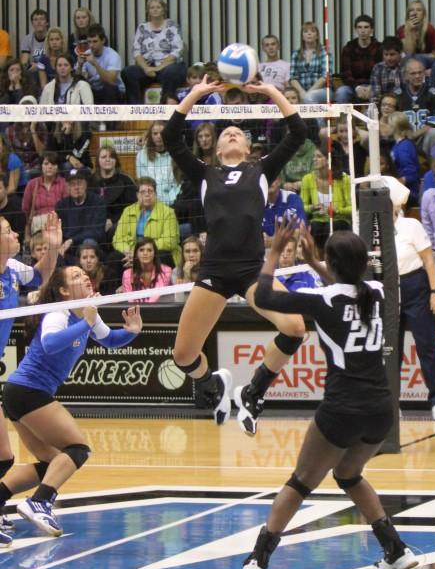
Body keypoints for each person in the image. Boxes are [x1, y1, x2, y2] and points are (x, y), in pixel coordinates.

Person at [241, 223, 418, 569]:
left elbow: (263, 295)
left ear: (332, 264)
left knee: (301, 482)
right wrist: (316, 263)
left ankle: (258, 559)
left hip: (343, 409)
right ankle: (396, 550)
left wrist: (274, 253)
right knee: (349, 475)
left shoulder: (319, 300)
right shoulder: (379, 292)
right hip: (381, 410)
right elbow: (345, 287)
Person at [162, 76, 308, 437]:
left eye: (237, 133)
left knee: (295, 328)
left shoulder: (261, 170)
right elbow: (170, 138)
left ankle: (253, 391)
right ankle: (214, 386)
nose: (230, 134)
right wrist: (194, 94)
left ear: (247, 147)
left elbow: (298, 131)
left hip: (250, 270)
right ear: (215, 149)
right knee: (182, 356)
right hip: (213, 271)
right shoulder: (205, 173)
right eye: (224, 132)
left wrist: (271, 92)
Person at [0, 267, 142, 539]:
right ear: (64, 291)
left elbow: (110, 340)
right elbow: (51, 343)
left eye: (84, 274)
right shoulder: (59, 312)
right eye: (76, 276)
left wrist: (131, 331)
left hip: (21, 392)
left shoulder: (86, 312)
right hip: (28, 390)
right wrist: (86, 322)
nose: (85, 276)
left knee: (50, 463)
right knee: (78, 449)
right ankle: (40, 502)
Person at [0, 211, 61, 538]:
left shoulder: (12, 270)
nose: (15, 236)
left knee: (5, 457)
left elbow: (41, 277)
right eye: (8, 231)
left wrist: (51, 249)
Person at [392, 177, 435, 421]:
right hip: (387, 289)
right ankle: (392, 404)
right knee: (390, 350)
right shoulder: (371, 226)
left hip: (415, 286)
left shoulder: (411, 225)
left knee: (426, 346)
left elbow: (428, 259)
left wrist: (434, 292)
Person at [122, 0, 186, 103]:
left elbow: (177, 51)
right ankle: (135, 111)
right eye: (152, 7)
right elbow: (136, 51)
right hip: (148, 68)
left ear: (163, 10)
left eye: (158, 7)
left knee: (172, 72)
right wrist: (146, 68)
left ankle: (165, 107)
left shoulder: (172, 26)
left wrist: (158, 68)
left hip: (168, 66)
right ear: (148, 11)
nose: (155, 9)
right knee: (128, 72)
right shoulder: (142, 28)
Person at [300, 147, 352, 253]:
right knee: (316, 227)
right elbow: (301, 207)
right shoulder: (307, 179)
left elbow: (352, 208)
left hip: (339, 219)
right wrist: (312, 208)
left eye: (318, 157)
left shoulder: (344, 179)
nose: (314, 159)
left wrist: (336, 210)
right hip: (318, 221)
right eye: (314, 156)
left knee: (332, 227)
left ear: (328, 160)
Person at [56, 168, 106, 263]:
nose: (76, 187)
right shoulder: (61, 205)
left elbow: (97, 232)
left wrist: (72, 240)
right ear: (67, 187)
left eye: (79, 183)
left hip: (90, 246)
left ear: (86, 184)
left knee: (89, 243)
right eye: (72, 184)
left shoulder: (97, 202)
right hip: (68, 248)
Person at [394, 58, 435, 156]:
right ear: (406, 75)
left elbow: (434, 123)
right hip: (403, 139)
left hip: (424, 139)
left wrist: (415, 135)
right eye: (413, 73)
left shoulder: (432, 93)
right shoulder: (398, 94)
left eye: (420, 72)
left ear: (424, 73)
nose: (417, 76)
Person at [89, 144, 137, 242]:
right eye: (103, 157)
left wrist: (113, 220)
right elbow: (87, 207)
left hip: (121, 223)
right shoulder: (90, 181)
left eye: (111, 157)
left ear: (116, 161)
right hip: (95, 222)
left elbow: (132, 208)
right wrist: (101, 221)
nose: (108, 159)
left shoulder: (126, 181)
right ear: (98, 161)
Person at [335, 14, 382, 103]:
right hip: (353, 86)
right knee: (342, 92)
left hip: (374, 85)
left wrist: (371, 87)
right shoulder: (349, 48)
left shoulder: (379, 47)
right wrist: (357, 87)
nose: (363, 31)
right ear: (355, 30)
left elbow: (381, 71)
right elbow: (345, 74)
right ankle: (343, 117)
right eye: (359, 27)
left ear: (372, 30)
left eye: (366, 27)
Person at [73, 22, 125, 103]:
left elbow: (111, 81)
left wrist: (95, 64)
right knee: (80, 89)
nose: (91, 45)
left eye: (95, 41)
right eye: (89, 42)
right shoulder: (86, 53)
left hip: (113, 92)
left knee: (109, 89)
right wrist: (80, 65)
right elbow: (77, 80)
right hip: (93, 91)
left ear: (103, 40)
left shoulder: (113, 55)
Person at [21, 152, 68, 239]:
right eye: (46, 164)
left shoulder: (64, 184)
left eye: (53, 164)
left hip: (58, 226)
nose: (49, 167)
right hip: (37, 227)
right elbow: (25, 209)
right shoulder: (32, 184)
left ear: (58, 167)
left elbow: (67, 209)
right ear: (41, 166)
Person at [135, 121, 180, 206]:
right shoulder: (141, 156)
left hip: (172, 203)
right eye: (155, 133)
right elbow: (143, 183)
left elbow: (178, 184)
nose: (159, 136)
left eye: (162, 133)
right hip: (149, 202)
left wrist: (169, 201)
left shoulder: (176, 155)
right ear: (150, 136)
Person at [289, 22, 330, 103]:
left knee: (310, 97)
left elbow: (325, 76)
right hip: (301, 90)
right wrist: (301, 92)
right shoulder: (296, 54)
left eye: (312, 31)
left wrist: (309, 93)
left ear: (317, 35)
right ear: (302, 36)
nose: (309, 34)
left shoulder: (324, 52)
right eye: (306, 31)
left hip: (323, 90)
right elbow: (293, 78)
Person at [120, 238, 171, 303]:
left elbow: (157, 295)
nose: (145, 253)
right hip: (136, 310)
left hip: (160, 309)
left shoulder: (166, 271)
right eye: (141, 250)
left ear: (154, 253)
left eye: (149, 250)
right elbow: (130, 299)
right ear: (136, 254)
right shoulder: (127, 274)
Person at [389, 112, 421, 206]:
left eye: (390, 124)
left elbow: (411, 174)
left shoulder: (404, 146)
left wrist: (394, 184)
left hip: (408, 193)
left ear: (396, 127)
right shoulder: (398, 144)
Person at [396, 0, 435, 66]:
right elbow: (408, 52)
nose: (415, 13)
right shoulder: (401, 29)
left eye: (419, 10)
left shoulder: (430, 29)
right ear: (408, 14)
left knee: (418, 58)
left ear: (423, 14)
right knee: (408, 58)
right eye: (412, 10)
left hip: (427, 61)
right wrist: (410, 31)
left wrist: (421, 57)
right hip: (408, 62)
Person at [369, 37, 404, 103]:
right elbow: (375, 96)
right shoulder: (378, 68)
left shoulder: (407, 67)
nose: (388, 58)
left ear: (400, 53)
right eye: (386, 54)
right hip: (384, 107)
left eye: (392, 54)